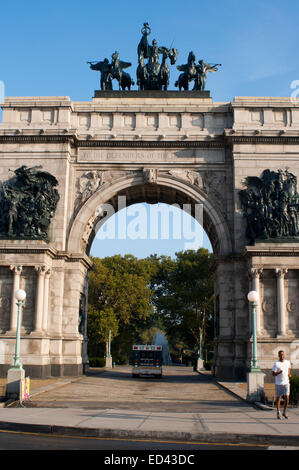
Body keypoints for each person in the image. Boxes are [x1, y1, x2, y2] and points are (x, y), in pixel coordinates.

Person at [272, 350, 291, 419]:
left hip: (286, 383)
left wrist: (289, 374)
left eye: (283, 355)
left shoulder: (287, 362)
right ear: (278, 356)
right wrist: (278, 373)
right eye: (280, 355)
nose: (282, 356)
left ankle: (284, 412)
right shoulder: (276, 364)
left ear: (284, 355)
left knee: (287, 398)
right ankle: (278, 412)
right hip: (278, 383)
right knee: (278, 399)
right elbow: (273, 374)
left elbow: (288, 370)